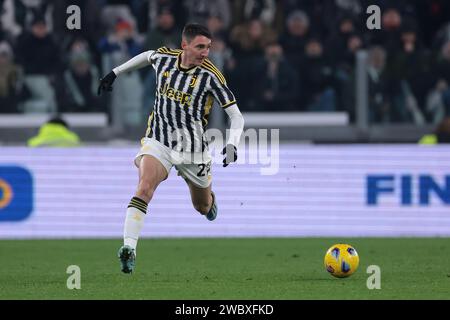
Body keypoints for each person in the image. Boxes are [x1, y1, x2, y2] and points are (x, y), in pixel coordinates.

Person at [97, 23, 245, 274]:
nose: (205, 53)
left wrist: (232, 144)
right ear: (184, 45)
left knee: (202, 207)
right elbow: (147, 56)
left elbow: (236, 116)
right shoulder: (165, 58)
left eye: (208, 47)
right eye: (200, 47)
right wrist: (115, 72)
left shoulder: (211, 76)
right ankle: (129, 248)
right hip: (159, 141)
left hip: (193, 150)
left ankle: (210, 201)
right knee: (144, 188)